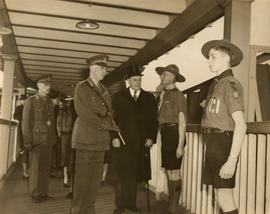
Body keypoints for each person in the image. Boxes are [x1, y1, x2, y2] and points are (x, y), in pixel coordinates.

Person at [200, 39, 247, 214]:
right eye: (208, 57)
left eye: (213, 57)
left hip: (222, 143)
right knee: (220, 195)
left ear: (227, 58)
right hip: (213, 142)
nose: (209, 61)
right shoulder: (217, 84)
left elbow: (241, 125)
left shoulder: (229, 84)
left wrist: (232, 160)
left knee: (225, 196)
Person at [71, 54, 120, 214]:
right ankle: (78, 211)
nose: (105, 71)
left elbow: (108, 113)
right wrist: (104, 124)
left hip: (100, 141)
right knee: (81, 180)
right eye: (103, 68)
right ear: (94, 68)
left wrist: (112, 125)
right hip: (85, 139)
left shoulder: (105, 90)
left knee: (94, 180)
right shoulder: (81, 87)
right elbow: (83, 112)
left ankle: (89, 210)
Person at [111, 65, 158, 214]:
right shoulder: (118, 97)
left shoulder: (149, 98)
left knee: (136, 176)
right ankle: (119, 206)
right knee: (121, 176)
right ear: (128, 81)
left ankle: (131, 204)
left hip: (141, 144)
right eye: (134, 80)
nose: (137, 82)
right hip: (123, 143)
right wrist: (113, 138)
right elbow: (112, 120)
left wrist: (152, 137)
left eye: (139, 79)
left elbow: (153, 121)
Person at [155, 64, 187, 214]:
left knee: (174, 172)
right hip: (166, 134)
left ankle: (174, 206)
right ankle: (171, 204)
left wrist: (180, 145)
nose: (162, 77)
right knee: (169, 170)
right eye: (162, 75)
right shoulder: (163, 94)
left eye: (165, 75)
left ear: (173, 78)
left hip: (174, 134)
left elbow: (182, 120)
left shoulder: (177, 95)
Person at [22, 75, 56, 203]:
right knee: (35, 169)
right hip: (36, 140)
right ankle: (35, 194)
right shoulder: (31, 101)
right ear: (38, 85)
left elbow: (51, 123)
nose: (48, 87)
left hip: (48, 140)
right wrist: (27, 141)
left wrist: (53, 139)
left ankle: (43, 193)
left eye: (49, 85)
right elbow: (26, 123)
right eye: (45, 84)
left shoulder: (49, 102)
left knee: (45, 169)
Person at [57, 100, 73, 187]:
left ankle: (66, 178)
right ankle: (67, 177)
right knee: (69, 155)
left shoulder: (61, 111)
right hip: (70, 134)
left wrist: (59, 132)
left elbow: (58, 124)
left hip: (65, 135)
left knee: (65, 155)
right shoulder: (72, 112)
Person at [14, 96, 29, 180]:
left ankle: (25, 171)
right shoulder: (20, 108)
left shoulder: (25, 108)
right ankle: (25, 172)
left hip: (25, 132)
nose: (24, 102)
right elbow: (15, 116)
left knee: (25, 151)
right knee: (24, 151)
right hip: (23, 132)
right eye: (23, 100)